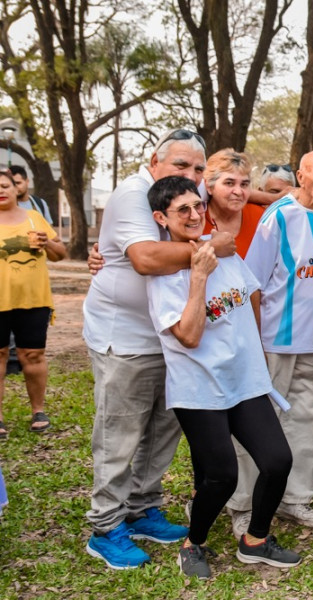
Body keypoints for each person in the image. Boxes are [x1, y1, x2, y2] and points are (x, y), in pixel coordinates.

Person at [82, 128, 236, 570]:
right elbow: (146, 259)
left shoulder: (192, 191)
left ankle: (142, 507)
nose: (192, 175)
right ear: (154, 161)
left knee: (163, 430)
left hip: (172, 337)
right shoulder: (133, 193)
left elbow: (239, 191)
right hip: (126, 337)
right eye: (181, 165)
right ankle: (106, 526)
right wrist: (211, 247)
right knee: (120, 434)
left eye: (199, 168)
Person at [145, 176, 300, 578]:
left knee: (278, 460)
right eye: (183, 210)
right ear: (162, 218)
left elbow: (250, 294)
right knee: (222, 477)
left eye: (197, 205)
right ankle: (193, 543)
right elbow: (190, 336)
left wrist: (253, 352)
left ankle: (256, 540)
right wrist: (198, 276)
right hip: (198, 387)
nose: (194, 214)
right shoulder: (164, 276)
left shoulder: (224, 252)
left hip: (245, 380)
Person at [228, 150, 313, 537]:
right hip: (274, 342)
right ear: (301, 175)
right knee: (256, 425)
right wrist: (254, 340)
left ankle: (295, 498)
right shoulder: (277, 216)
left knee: (307, 423)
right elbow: (253, 284)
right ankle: (242, 504)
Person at [0, 169, 67, 438]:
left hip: (33, 300)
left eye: (5, 185)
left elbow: (60, 254)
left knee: (33, 355)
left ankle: (38, 411)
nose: (1, 190)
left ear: (17, 189)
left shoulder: (33, 218)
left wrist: (46, 242)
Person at [7, 165, 54, 377]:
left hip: (33, 285)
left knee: (33, 348)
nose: (14, 188)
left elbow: (55, 243)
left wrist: (46, 242)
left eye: (16, 183)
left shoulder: (37, 208)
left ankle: (20, 355)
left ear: (26, 182)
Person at [202, 149, 265, 258]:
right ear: (209, 186)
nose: (238, 192)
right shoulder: (195, 218)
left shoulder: (262, 217)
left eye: (244, 184)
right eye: (229, 183)